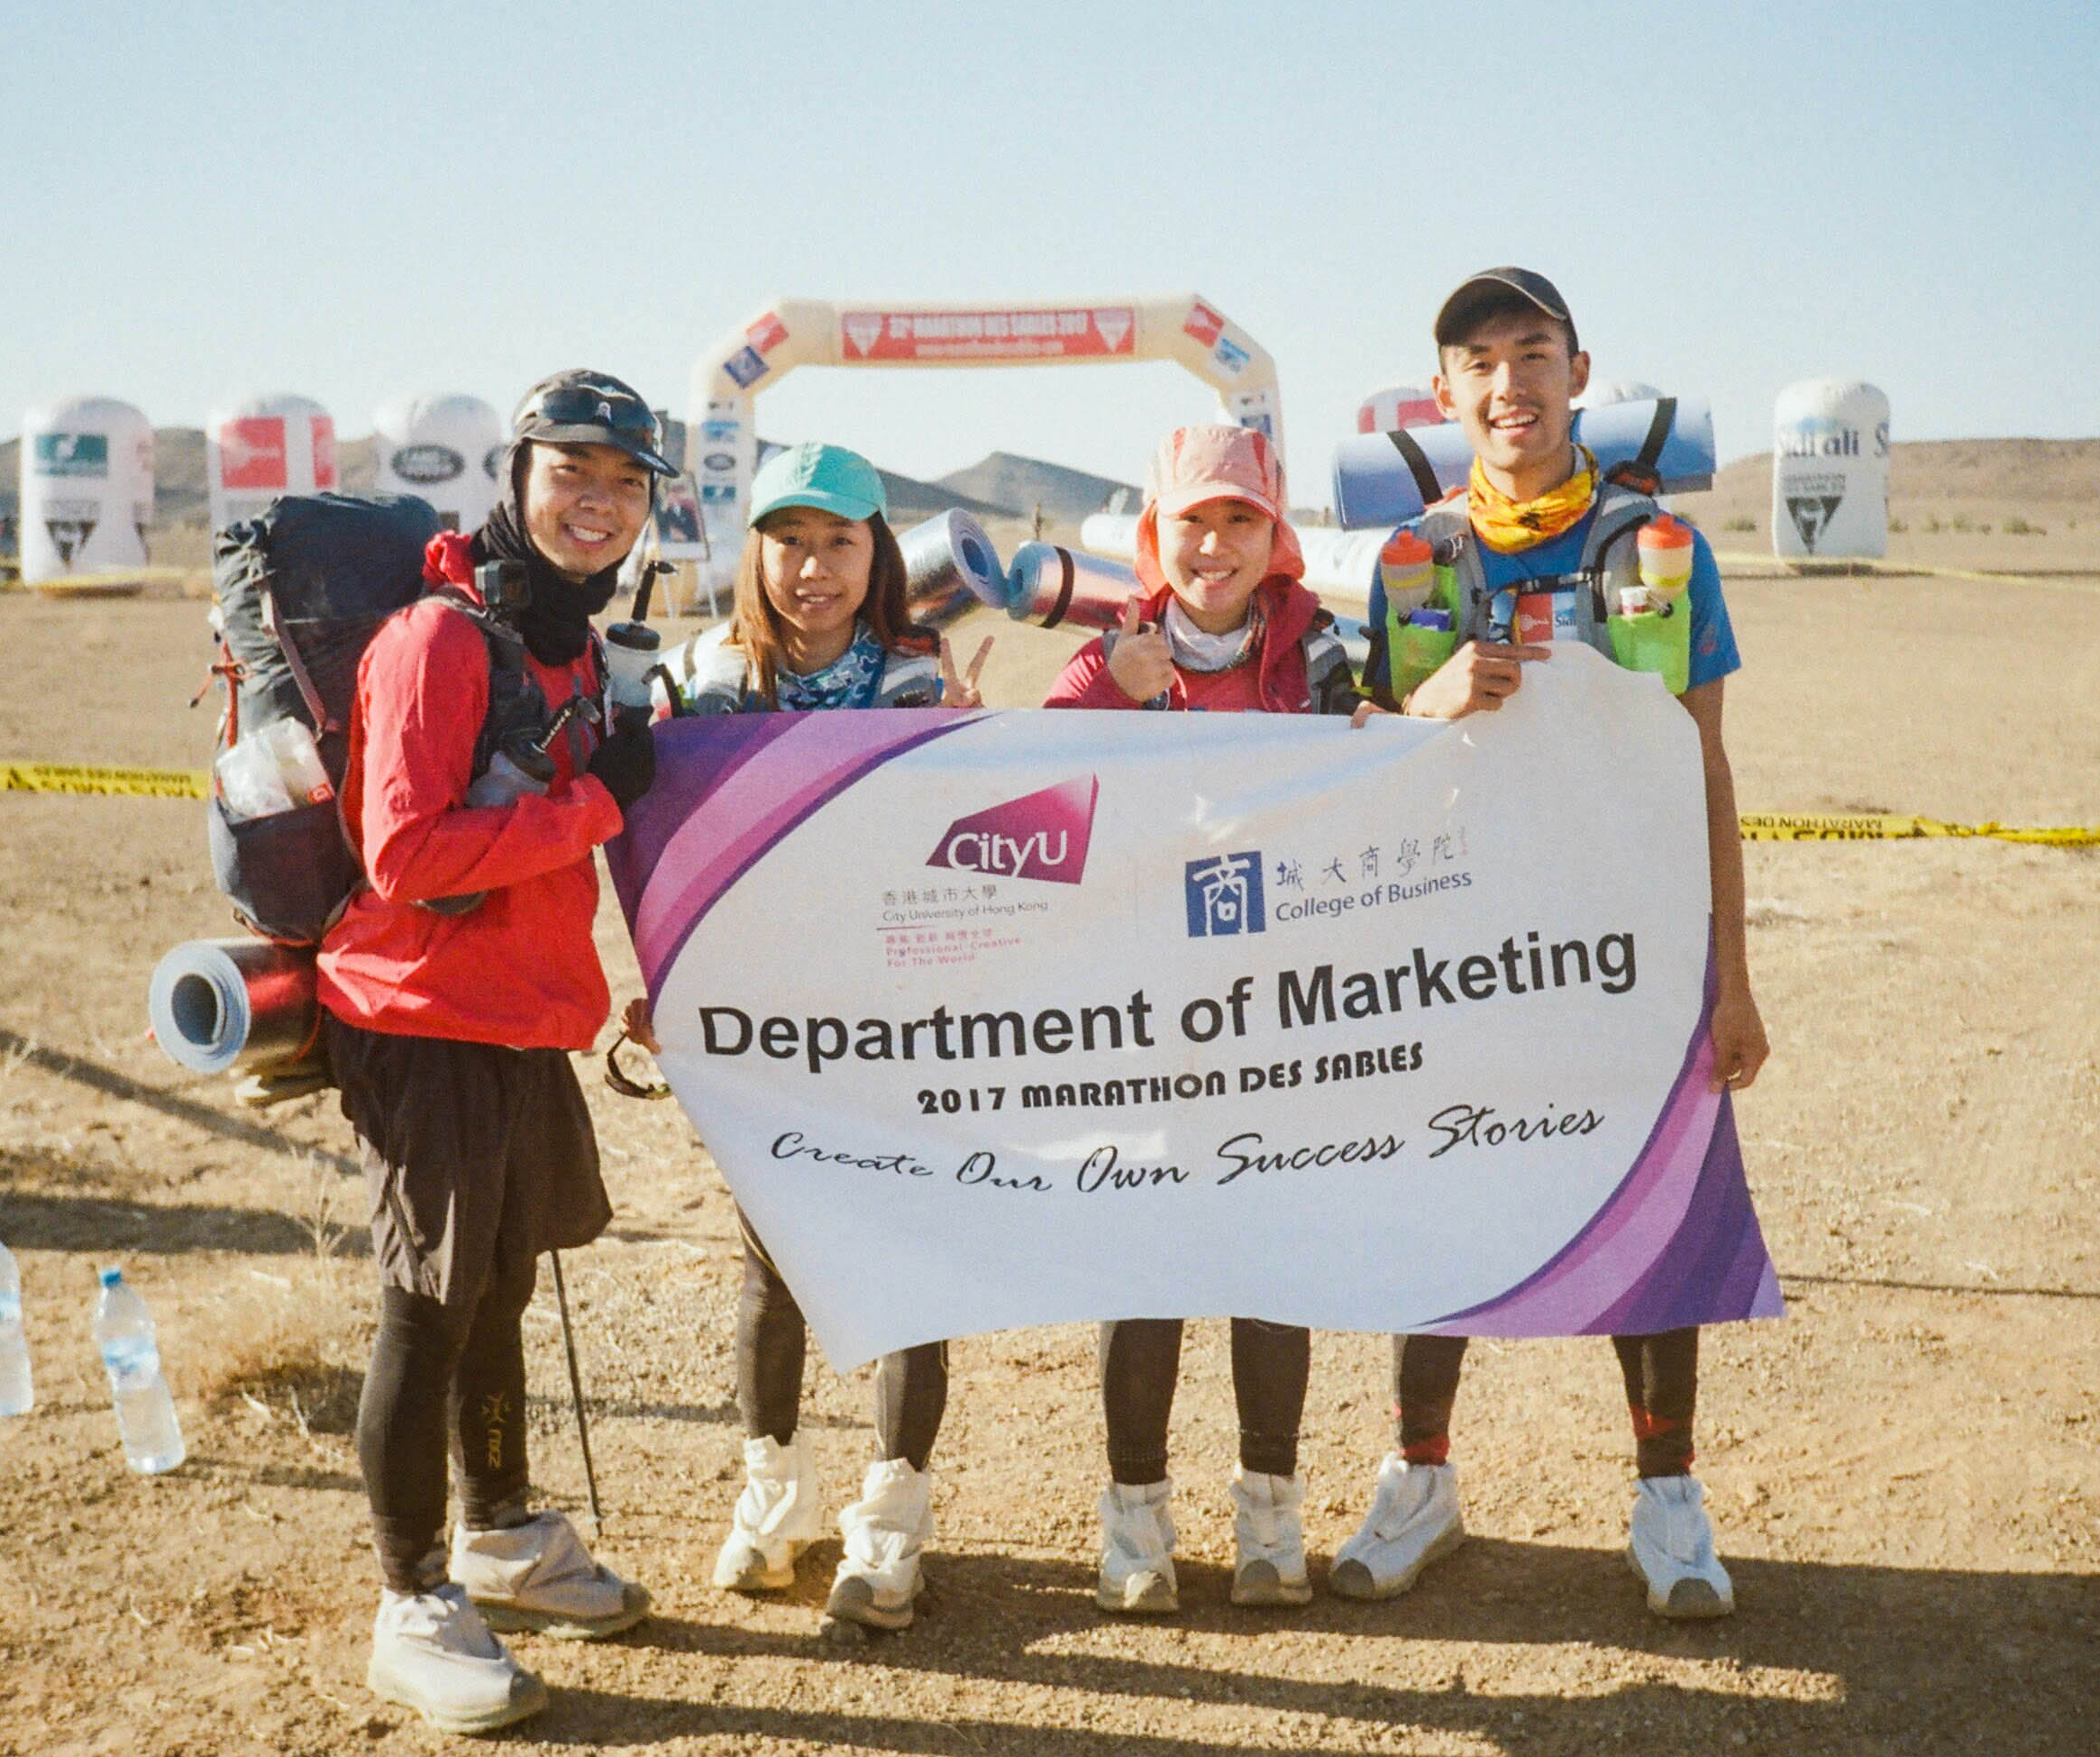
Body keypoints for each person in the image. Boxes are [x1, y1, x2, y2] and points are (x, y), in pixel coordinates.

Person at [1333, 268, 1768, 1621]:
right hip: (1456, 950)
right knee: (1438, 1194)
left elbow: (1704, 766)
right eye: (1478, 361)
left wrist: (1733, 978)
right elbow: (1358, 763)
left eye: (1531, 354)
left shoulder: (1655, 548)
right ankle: (1420, 1476)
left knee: (1654, 1202)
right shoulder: (1411, 561)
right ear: (1443, 392)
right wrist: (1422, 707)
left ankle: (1667, 1498)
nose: (1506, 383)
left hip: (1629, 952)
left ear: (1579, 374)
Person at [322, 369, 669, 1734]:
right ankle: (409, 1602)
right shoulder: (438, 638)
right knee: (428, 1306)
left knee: (500, 1287)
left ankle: (503, 1534)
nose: (599, 501)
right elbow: (404, 853)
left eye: (626, 482)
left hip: (522, 1013)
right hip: (421, 1016)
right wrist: (591, 804)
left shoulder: (563, 644)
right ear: (517, 477)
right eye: (572, 471)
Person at [640, 442, 987, 1633]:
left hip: (898, 1024)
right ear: (755, 552)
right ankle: (772, 1499)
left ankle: (891, 1522)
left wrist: (968, 750)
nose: (814, 566)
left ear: (876, 553)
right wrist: (662, 980)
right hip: (758, 1027)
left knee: (907, 1260)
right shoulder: (700, 679)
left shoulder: (917, 675)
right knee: (772, 1263)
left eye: (840, 540)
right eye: (789, 540)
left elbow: (949, 846)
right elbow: (656, 842)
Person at [1042, 424, 1361, 1615]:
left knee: (1271, 1256)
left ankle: (1270, 1513)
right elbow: (1028, 804)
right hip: (1140, 1016)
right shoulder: (1108, 654)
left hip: (1281, 1015)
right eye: (1192, 521)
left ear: (1275, 536)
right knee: (1146, 1262)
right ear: (1152, 535)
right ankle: (1134, 1519)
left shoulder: (1324, 656)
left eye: (1239, 519)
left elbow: (1389, 792)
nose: (1214, 545)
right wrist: (1098, 694)